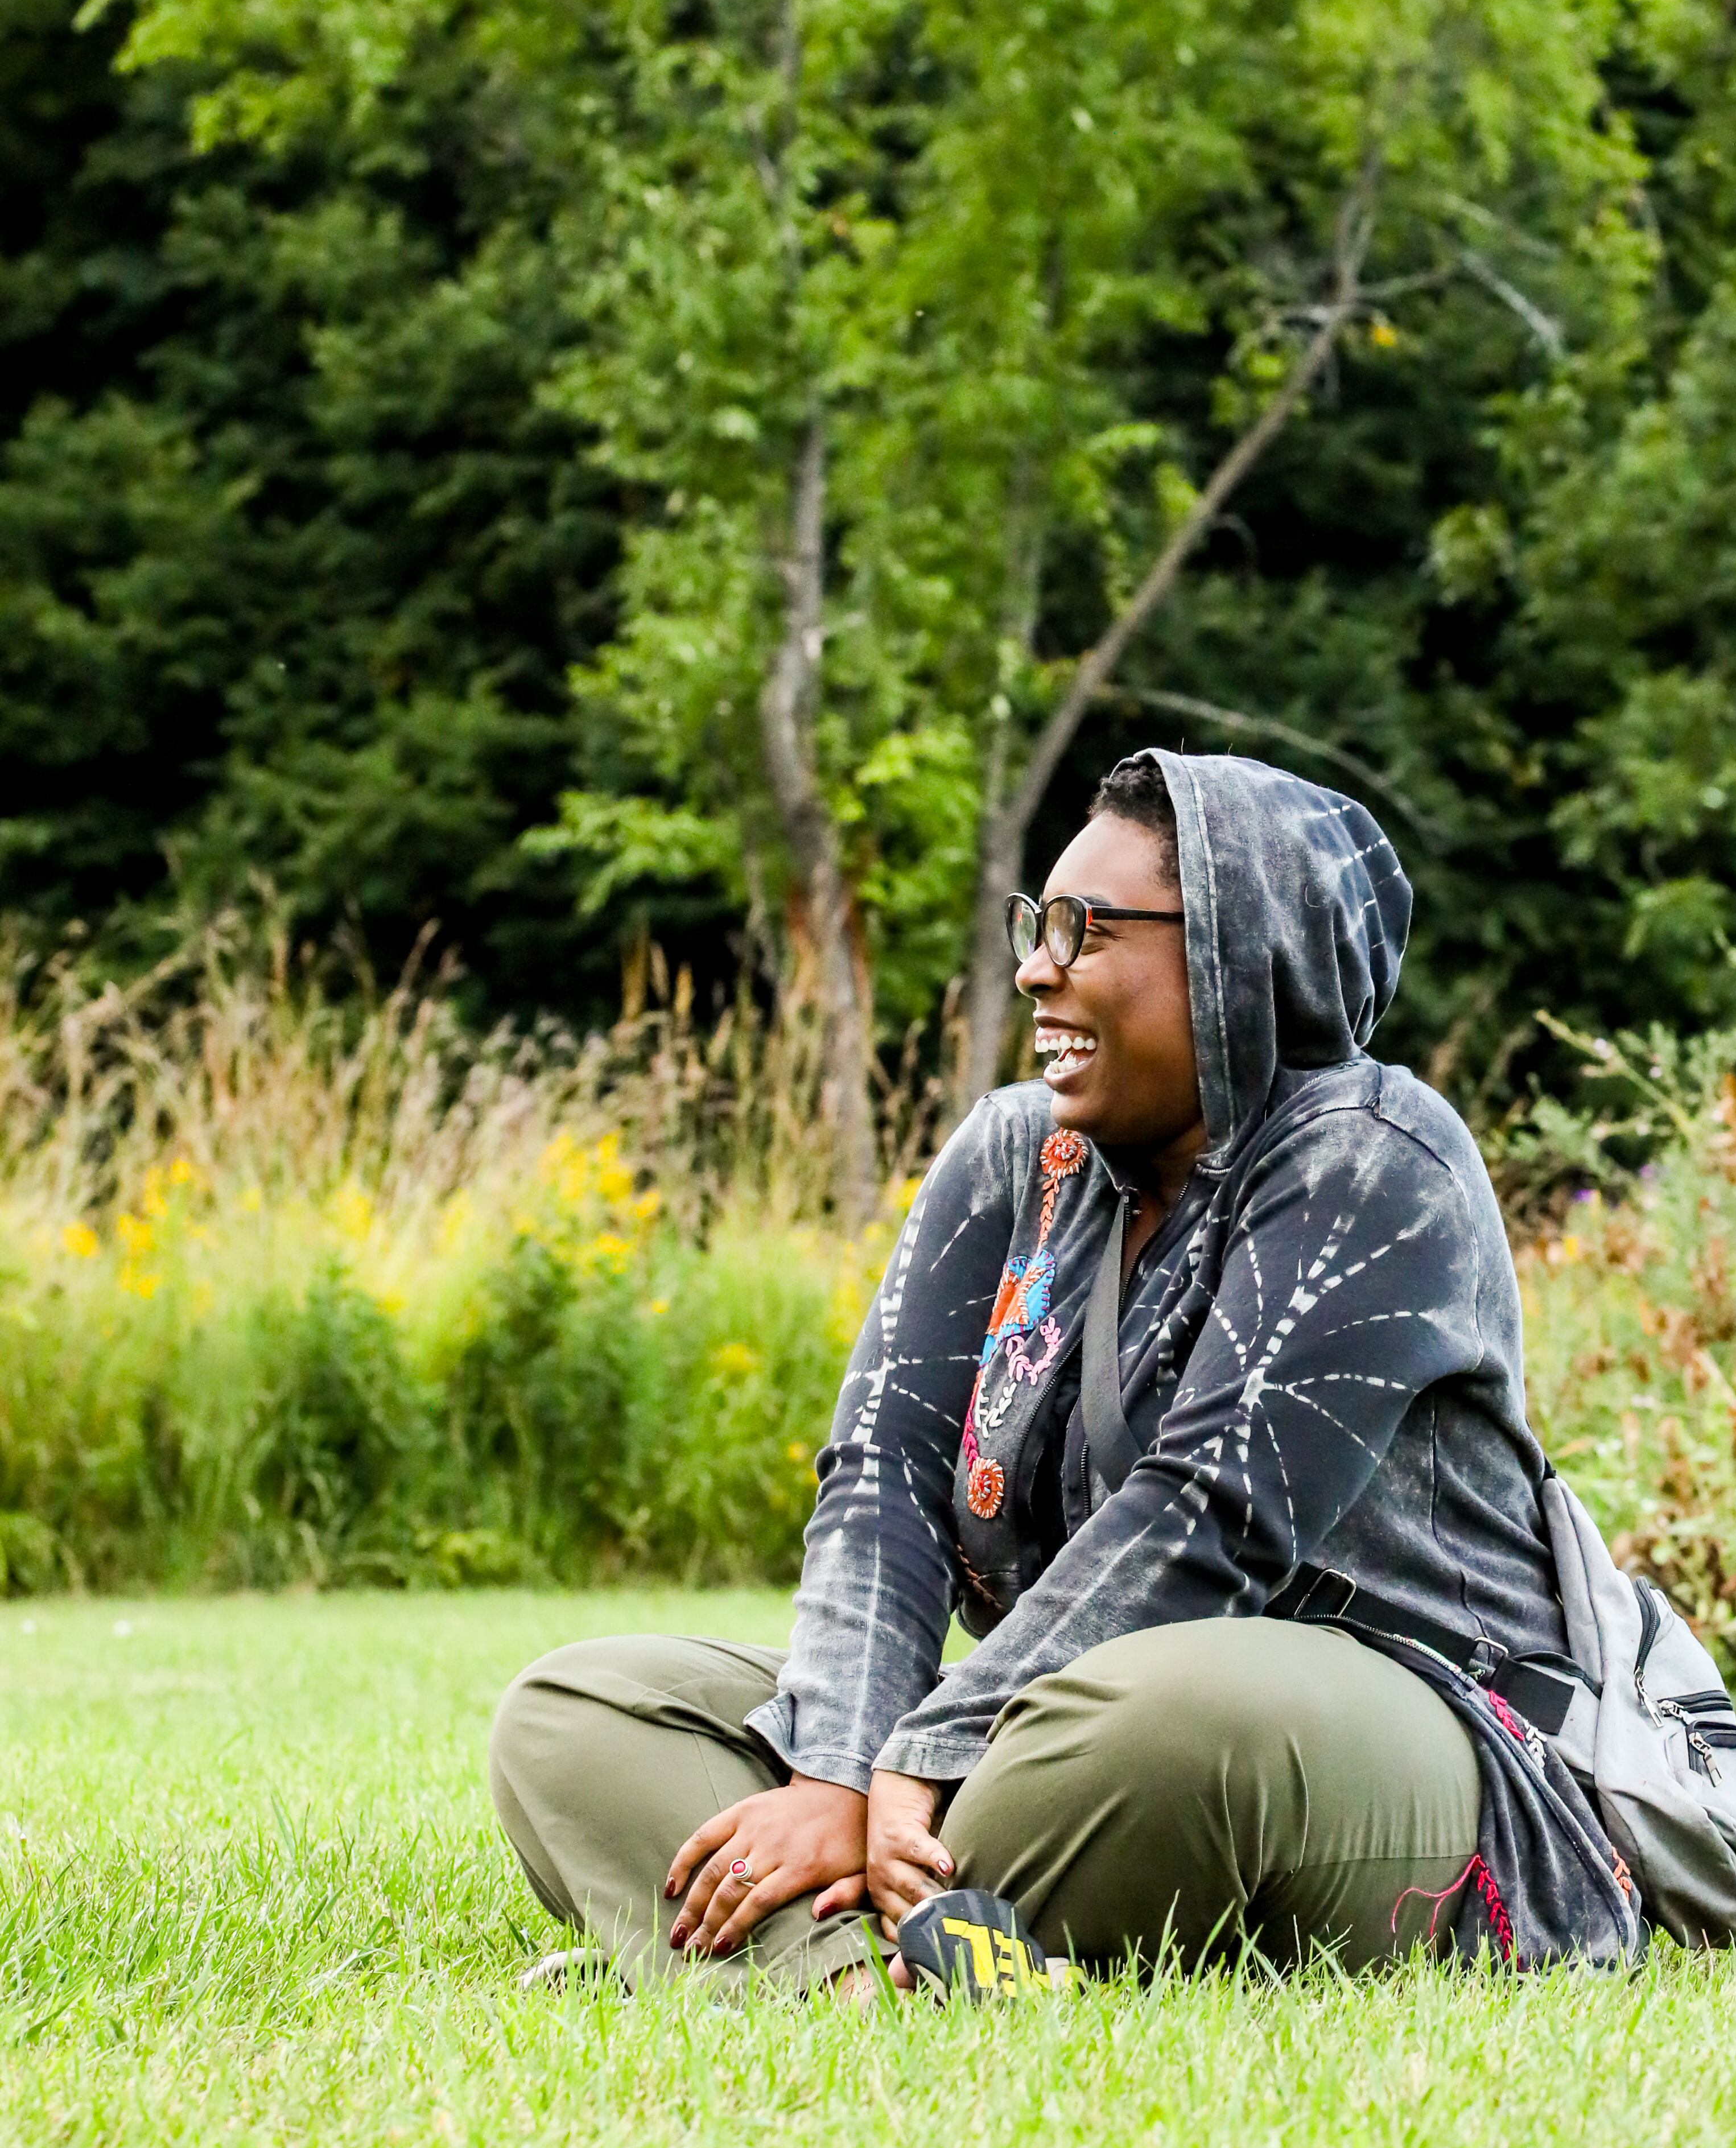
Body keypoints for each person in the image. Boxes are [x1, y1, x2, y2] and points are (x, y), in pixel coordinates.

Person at [487, 749, 1636, 1994]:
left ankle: (782, 1944)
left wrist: (913, 1756)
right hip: (1032, 1736)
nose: (1038, 964)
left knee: (1168, 1717)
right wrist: (834, 1764)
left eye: (1087, 929)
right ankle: (866, 1981)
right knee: (574, 1712)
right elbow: (882, 1477)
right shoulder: (1008, 1158)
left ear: (1230, 952)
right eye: (1039, 922)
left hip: (1373, 1738)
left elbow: (1207, 1515)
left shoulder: (1372, 1161)